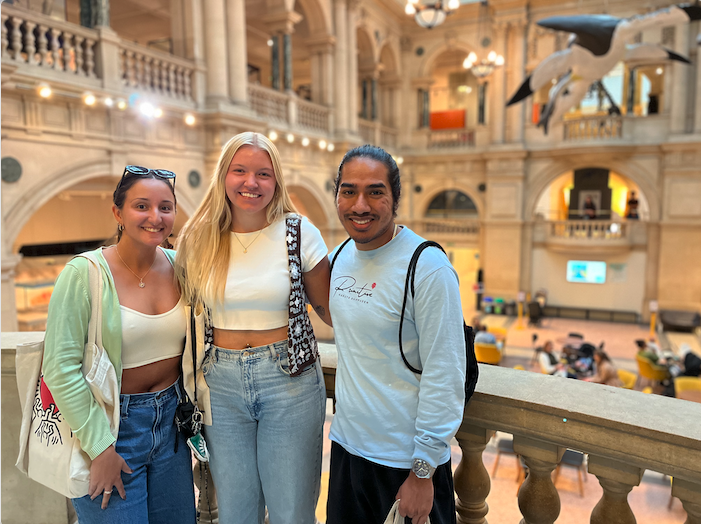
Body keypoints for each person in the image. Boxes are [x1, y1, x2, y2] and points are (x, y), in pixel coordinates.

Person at [175, 132, 332, 524]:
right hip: (220, 382)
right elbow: (179, 311)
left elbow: (332, 310)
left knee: (291, 511)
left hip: (290, 379)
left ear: (276, 181)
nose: (251, 183)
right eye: (240, 171)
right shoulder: (198, 237)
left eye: (264, 173)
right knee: (235, 512)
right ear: (223, 176)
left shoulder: (299, 232)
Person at [43, 166, 196, 522]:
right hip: (111, 428)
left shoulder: (181, 266)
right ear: (118, 213)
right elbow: (60, 367)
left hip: (171, 429)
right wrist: (100, 449)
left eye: (165, 207)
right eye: (141, 206)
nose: (155, 217)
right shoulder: (84, 273)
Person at [326, 145, 466, 524]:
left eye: (375, 191)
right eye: (349, 190)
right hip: (347, 449)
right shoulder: (339, 257)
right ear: (336, 195)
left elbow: (445, 372)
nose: (360, 205)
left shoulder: (427, 266)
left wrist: (423, 473)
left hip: (405, 464)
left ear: (395, 198)